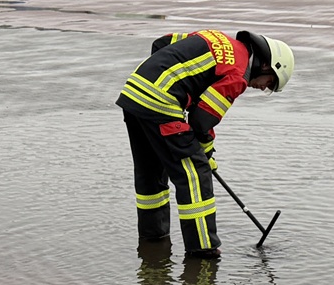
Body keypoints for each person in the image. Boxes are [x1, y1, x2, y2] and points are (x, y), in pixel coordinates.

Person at [117, 28, 294, 257]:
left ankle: (153, 238)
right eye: (270, 83)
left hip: (134, 94)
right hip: (161, 104)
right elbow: (201, 121)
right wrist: (206, 156)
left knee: (150, 173)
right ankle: (203, 251)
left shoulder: (216, 37)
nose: (263, 88)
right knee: (195, 173)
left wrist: (175, 87)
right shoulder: (237, 74)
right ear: (265, 65)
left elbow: (160, 44)